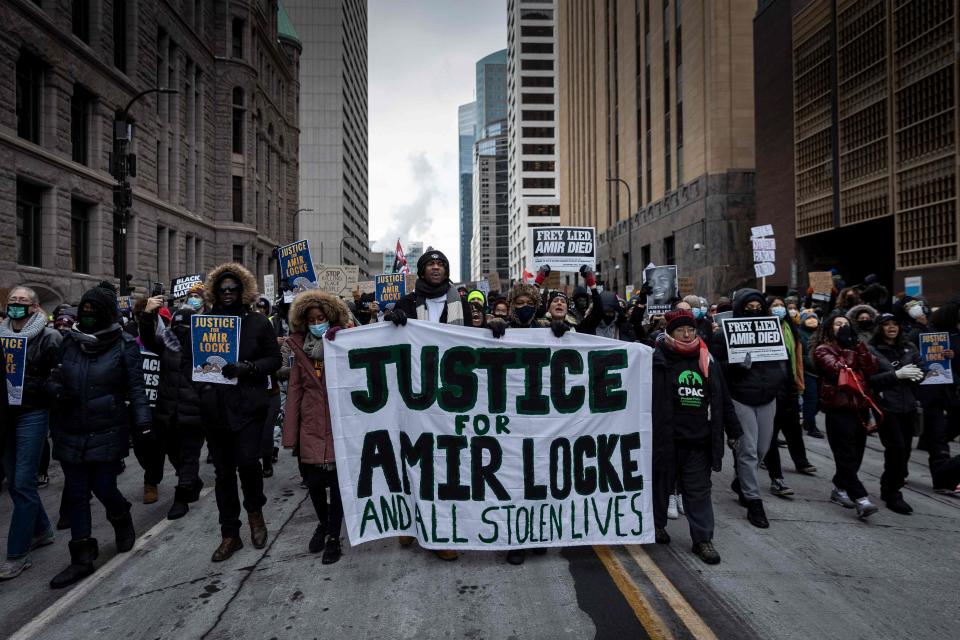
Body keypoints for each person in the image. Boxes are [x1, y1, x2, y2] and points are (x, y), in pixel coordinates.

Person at [48, 286, 152, 588]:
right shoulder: (68, 343)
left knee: (104, 487)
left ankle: (121, 516)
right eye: (85, 309)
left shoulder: (124, 345)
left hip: (107, 427)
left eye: (95, 310)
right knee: (77, 493)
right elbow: (53, 376)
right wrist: (54, 390)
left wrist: (143, 424)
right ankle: (82, 556)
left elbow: (136, 388)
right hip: (70, 428)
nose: (89, 315)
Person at [387, 249, 472, 561]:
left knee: (446, 461)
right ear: (421, 271)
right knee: (416, 456)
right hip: (416, 394)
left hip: (452, 395)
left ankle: (441, 533)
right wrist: (391, 321)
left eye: (441, 264)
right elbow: (387, 342)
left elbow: (475, 339)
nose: (436, 268)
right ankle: (409, 519)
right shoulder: (407, 304)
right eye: (430, 264)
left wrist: (494, 330)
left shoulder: (460, 302)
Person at [198, 263, 282, 562]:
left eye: (233, 288)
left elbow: (274, 359)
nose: (228, 293)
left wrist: (248, 368)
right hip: (215, 410)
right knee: (223, 475)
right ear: (215, 293)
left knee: (248, 464)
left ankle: (255, 514)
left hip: (248, 407)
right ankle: (229, 534)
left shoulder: (258, 322)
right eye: (222, 289)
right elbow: (188, 363)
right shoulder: (203, 322)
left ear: (243, 291)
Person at [652, 310, 742, 564]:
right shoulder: (656, 359)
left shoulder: (707, 360)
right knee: (660, 486)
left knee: (698, 492)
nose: (687, 334)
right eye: (680, 330)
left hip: (698, 440)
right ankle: (657, 525)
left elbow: (722, 398)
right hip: (666, 439)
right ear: (670, 333)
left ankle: (702, 539)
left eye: (690, 329)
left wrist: (733, 430)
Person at [709, 289, 788, 528]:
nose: (754, 310)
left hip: (768, 397)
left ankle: (740, 480)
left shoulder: (773, 330)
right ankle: (754, 501)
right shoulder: (725, 334)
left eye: (758, 306)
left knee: (762, 448)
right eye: (749, 306)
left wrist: (783, 385)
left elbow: (782, 361)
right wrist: (736, 365)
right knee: (748, 450)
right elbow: (716, 367)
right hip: (741, 397)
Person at [283, 289, 350, 564]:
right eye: (312, 320)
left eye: (321, 318)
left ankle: (334, 536)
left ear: (330, 317)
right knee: (313, 484)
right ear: (305, 322)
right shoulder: (300, 349)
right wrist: (290, 433)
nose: (317, 323)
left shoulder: (345, 342)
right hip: (310, 424)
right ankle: (323, 523)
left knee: (337, 485)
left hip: (338, 422)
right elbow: (295, 390)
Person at [0, 287, 61, 581]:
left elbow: (60, 375)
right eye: (12, 301)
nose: (16, 305)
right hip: (5, 415)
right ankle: (42, 529)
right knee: (13, 481)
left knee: (24, 482)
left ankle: (17, 554)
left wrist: (46, 389)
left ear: (35, 307)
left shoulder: (49, 337)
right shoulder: (0, 337)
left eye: (22, 301)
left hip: (33, 414)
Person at [138, 301, 206, 520]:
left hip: (194, 414)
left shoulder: (203, 348)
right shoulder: (166, 344)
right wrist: (148, 314)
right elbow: (147, 338)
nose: (179, 331)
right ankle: (192, 482)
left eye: (184, 327)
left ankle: (182, 498)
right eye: (176, 326)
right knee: (174, 455)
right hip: (167, 413)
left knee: (189, 457)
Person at [813, 312, 881, 519]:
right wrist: (847, 349)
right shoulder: (823, 349)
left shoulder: (857, 345)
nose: (842, 327)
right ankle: (861, 498)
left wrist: (857, 347)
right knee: (844, 454)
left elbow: (870, 367)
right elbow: (840, 370)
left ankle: (839, 488)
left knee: (856, 454)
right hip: (838, 406)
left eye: (845, 324)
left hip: (860, 405)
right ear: (829, 329)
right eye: (837, 324)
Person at [867, 313, 924, 514]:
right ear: (879, 328)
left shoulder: (909, 347)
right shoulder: (871, 350)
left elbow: (921, 368)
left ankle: (888, 483)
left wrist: (919, 375)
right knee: (896, 449)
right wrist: (896, 375)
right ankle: (893, 493)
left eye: (895, 324)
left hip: (908, 405)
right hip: (886, 406)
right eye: (886, 324)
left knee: (906, 450)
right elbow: (870, 380)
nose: (892, 328)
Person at [764, 297, 817, 500]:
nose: (779, 309)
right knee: (771, 432)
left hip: (791, 385)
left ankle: (801, 461)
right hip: (771, 388)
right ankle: (773, 472)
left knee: (794, 427)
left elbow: (797, 358)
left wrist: (799, 383)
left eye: (781, 306)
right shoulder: (764, 327)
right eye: (774, 306)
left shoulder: (790, 328)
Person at [797, 310, 825, 438]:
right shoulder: (799, 334)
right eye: (809, 318)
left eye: (814, 318)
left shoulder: (822, 334)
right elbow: (800, 355)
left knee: (820, 400)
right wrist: (813, 361)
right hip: (808, 372)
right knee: (811, 399)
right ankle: (811, 426)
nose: (812, 320)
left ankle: (808, 420)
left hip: (821, 372)